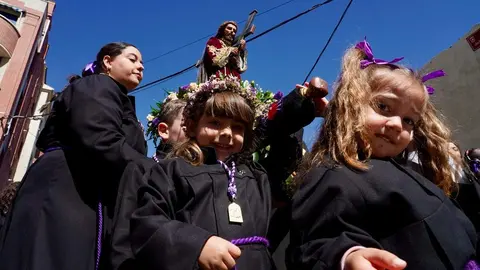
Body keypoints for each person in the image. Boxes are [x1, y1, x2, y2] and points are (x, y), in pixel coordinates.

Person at [287, 39, 478, 270]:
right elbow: (313, 243)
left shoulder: (413, 172)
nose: (398, 124)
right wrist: (348, 256)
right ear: (350, 106)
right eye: (384, 107)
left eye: (409, 120)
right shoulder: (334, 173)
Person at [0, 42, 147, 270]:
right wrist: (155, 173)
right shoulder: (97, 85)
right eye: (132, 59)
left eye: (142, 63)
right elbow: (102, 138)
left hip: (83, 190)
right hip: (66, 190)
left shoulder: (117, 98)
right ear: (107, 62)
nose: (140, 67)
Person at [124, 75, 279, 270]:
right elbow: (147, 225)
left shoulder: (256, 177)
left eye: (238, 127)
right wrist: (196, 245)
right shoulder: (172, 171)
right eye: (215, 123)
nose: (227, 133)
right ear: (192, 126)